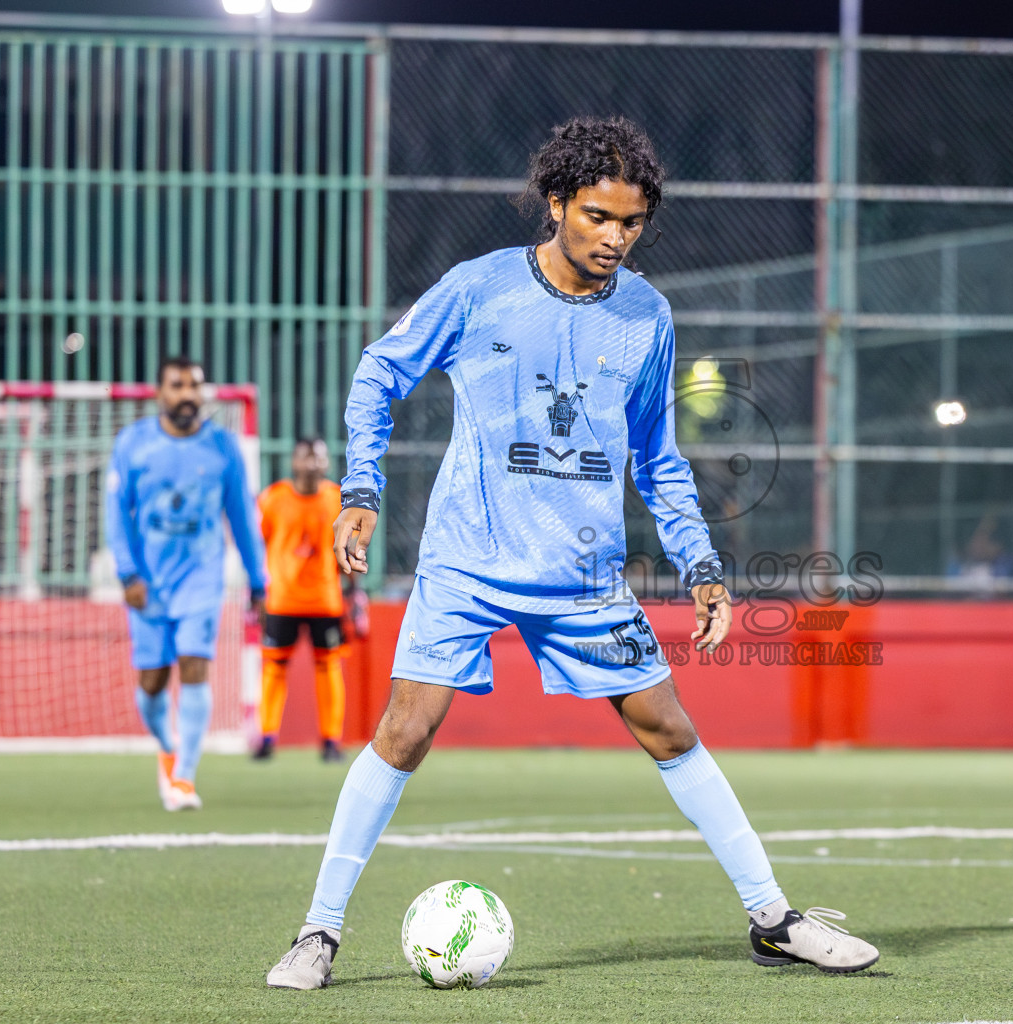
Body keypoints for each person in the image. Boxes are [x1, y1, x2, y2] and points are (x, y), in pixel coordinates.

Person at [265, 116, 878, 990]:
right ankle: (318, 934)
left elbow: (658, 457)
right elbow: (378, 373)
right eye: (597, 216)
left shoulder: (646, 315)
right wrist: (360, 493)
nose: (615, 238)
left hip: (583, 575)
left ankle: (773, 919)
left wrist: (700, 564)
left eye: (631, 223)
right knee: (405, 731)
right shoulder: (479, 289)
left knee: (668, 725)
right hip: (468, 560)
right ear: (556, 204)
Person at [104, 354, 267, 811]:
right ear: (161, 393)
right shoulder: (132, 444)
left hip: (201, 577)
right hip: (147, 583)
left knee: (195, 664)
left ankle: (184, 778)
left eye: (194, 386)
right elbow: (116, 514)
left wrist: (259, 582)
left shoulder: (222, 447)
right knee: (152, 683)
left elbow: (242, 516)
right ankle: (166, 743)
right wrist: (127, 573)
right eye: (177, 386)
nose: (187, 395)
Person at [254, 437, 367, 763]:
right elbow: (255, 543)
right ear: (294, 462)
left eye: (318, 457)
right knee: (274, 669)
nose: (312, 463)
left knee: (328, 668)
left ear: (326, 463)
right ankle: (266, 738)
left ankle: (331, 741)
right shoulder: (273, 499)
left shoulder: (337, 499)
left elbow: (348, 549)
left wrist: (354, 590)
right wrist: (257, 591)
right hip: (282, 600)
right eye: (306, 456)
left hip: (325, 600)